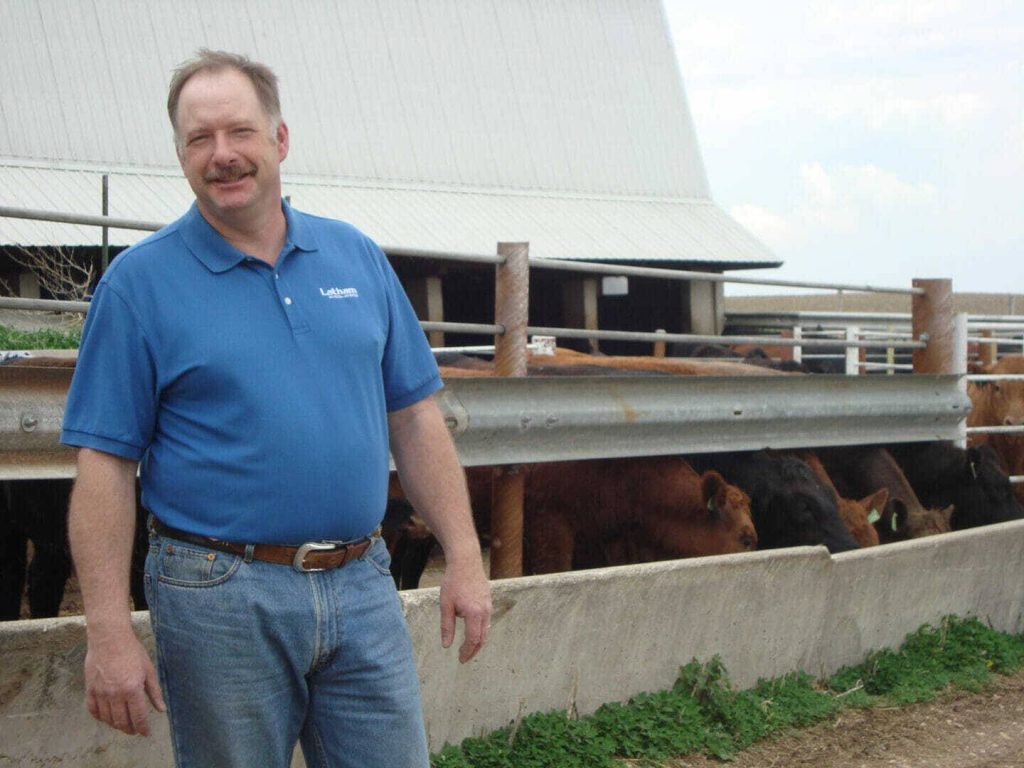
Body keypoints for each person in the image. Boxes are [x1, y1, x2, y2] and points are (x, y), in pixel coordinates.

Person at [62, 49, 492, 768]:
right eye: (199, 139)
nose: (222, 155)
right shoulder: (140, 285)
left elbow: (415, 419)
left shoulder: (355, 257)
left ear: (280, 139)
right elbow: (104, 462)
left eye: (239, 132)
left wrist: (466, 557)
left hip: (362, 581)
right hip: (218, 593)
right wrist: (107, 630)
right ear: (180, 154)